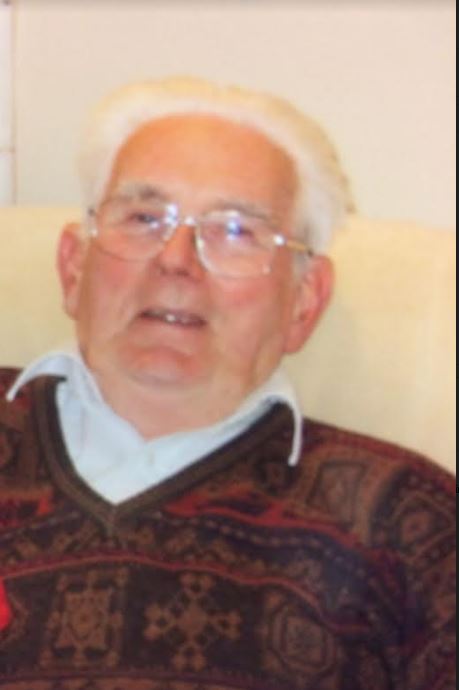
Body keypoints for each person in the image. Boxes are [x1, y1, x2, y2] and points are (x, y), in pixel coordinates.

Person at [0, 76, 455, 690]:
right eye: (143, 218)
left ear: (305, 300)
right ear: (73, 266)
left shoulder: (406, 518)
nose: (176, 260)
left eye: (236, 231)